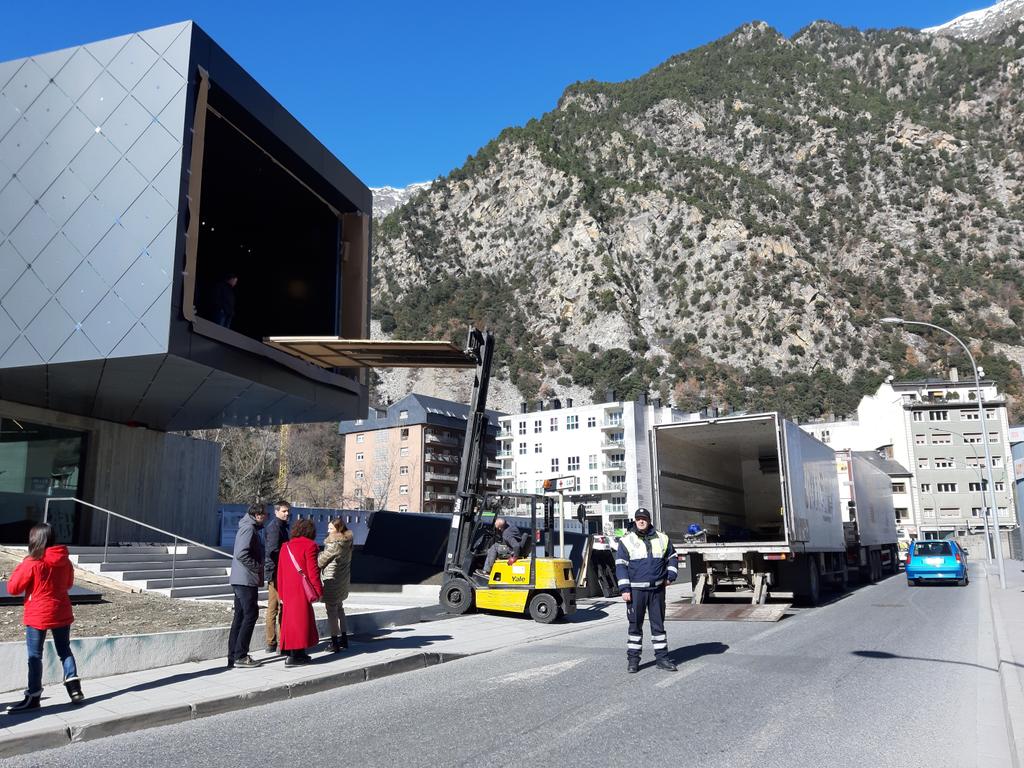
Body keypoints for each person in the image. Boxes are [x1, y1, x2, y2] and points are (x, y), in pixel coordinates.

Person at [5, 523, 84, 712]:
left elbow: (13, 589)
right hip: (61, 611)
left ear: (35, 540)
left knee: (35, 656)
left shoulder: (32, 562)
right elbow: (68, 584)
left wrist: (22, 565)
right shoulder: (65, 561)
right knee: (64, 649)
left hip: (38, 614)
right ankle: (74, 688)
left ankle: (33, 697)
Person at [615, 508, 679, 673]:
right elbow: (620, 565)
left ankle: (662, 659)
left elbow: (672, 557)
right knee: (635, 627)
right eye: (638, 519)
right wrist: (624, 589)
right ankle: (633, 660)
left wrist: (671, 575)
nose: (641, 521)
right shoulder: (627, 541)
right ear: (635, 521)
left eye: (644, 518)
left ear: (649, 520)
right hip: (636, 592)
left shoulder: (663, 538)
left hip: (657, 590)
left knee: (658, 626)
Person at [277, 518, 323, 667]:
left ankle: (298, 653)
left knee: (291, 622)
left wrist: (281, 594)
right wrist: (318, 590)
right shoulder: (311, 546)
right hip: (301, 590)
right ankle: (294, 657)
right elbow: (313, 572)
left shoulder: (286, 546)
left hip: (288, 589)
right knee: (302, 621)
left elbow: (280, 572)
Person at [227, 504, 266, 669]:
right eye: (265, 514)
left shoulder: (248, 526)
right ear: (257, 515)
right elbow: (241, 553)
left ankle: (234, 655)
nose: (266, 517)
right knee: (250, 615)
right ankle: (240, 655)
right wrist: (257, 567)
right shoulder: (249, 528)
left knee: (241, 616)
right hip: (245, 579)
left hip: (241, 579)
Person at [318, 517, 354, 653]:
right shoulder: (348, 541)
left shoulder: (334, 544)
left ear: (338, 529)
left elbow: (321, 561)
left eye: (331, 528)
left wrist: (319, 553)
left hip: (331, 579)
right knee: (340, 609)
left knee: (331, 611)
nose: (328, 531)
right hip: (343, 579)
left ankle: (334, 643)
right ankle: (344, 639)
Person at [264, 500, 291, 653]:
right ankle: (274, 642)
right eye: (284, 511)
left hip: (279, 571)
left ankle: (278, 642)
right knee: (275, 608)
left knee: (278, 607)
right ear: (276, 512)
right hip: (276, 573)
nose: (286, 514)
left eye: (288, 511)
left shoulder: (282, 527)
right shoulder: (275, 528)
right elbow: (273, 551)